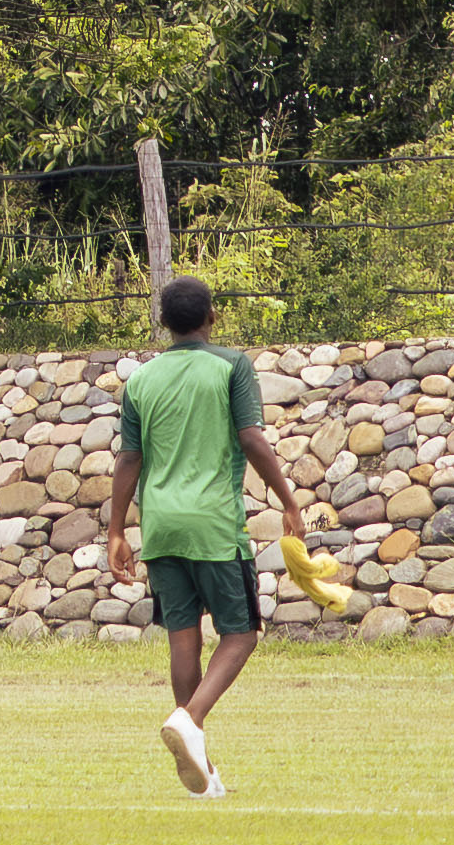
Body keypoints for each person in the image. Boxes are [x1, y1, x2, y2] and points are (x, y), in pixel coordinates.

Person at [105, 272, 311, 795]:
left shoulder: (141, 381)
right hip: (213, 525)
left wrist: (116, 532)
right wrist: (289, 501)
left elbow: (129, 458)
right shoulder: (231, 365)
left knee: (184, 638)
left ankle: (204, 769)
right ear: (212, 317)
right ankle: (189, 720)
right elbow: (251, 440)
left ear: (163, 325)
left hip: (161, 526)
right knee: (240, 633)